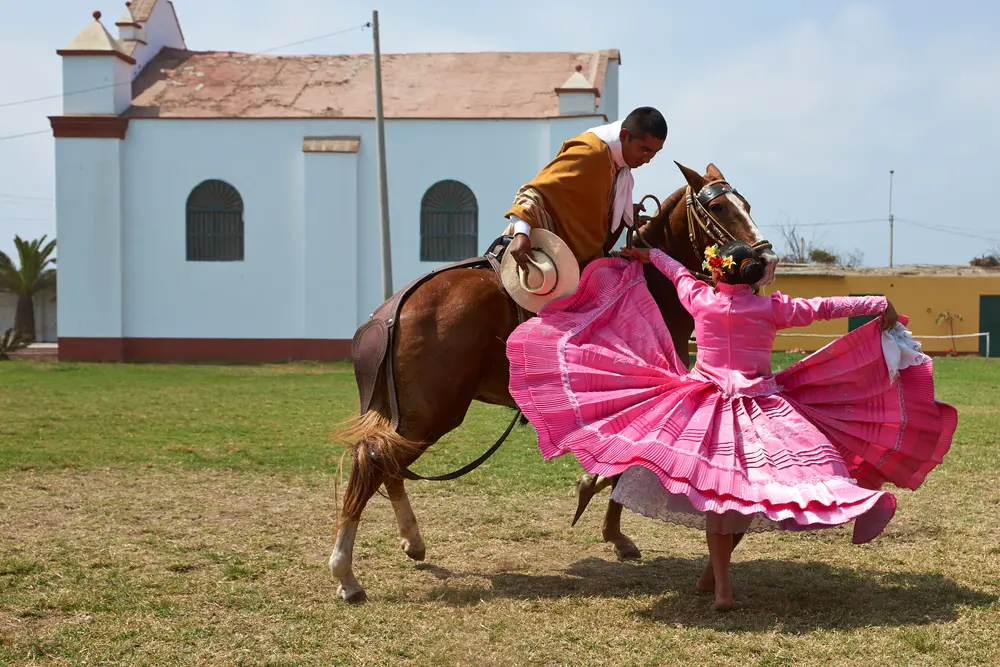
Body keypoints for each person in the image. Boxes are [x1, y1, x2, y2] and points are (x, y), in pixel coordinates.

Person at [505, 240, 957, 612]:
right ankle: (720, 582)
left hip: (701, 404)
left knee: (723, 495)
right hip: (762, 408)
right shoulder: (774, 309)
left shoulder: (700, 298)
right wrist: (881, 303)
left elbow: (676, 271)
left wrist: (648, 255)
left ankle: (715, 582)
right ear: (754, 276)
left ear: (718, 274)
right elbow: (828, 305)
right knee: (752, 492)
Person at [503, 106, 668, 272]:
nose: (647, 160)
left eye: (654, 153)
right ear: (625, 136)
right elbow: (532, 192)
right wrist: (521, 234)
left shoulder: (621, 161)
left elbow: (589, 214)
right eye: (644, 150)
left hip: (578, 263)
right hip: (535, 257)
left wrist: (624, 213)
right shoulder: (590, 152)